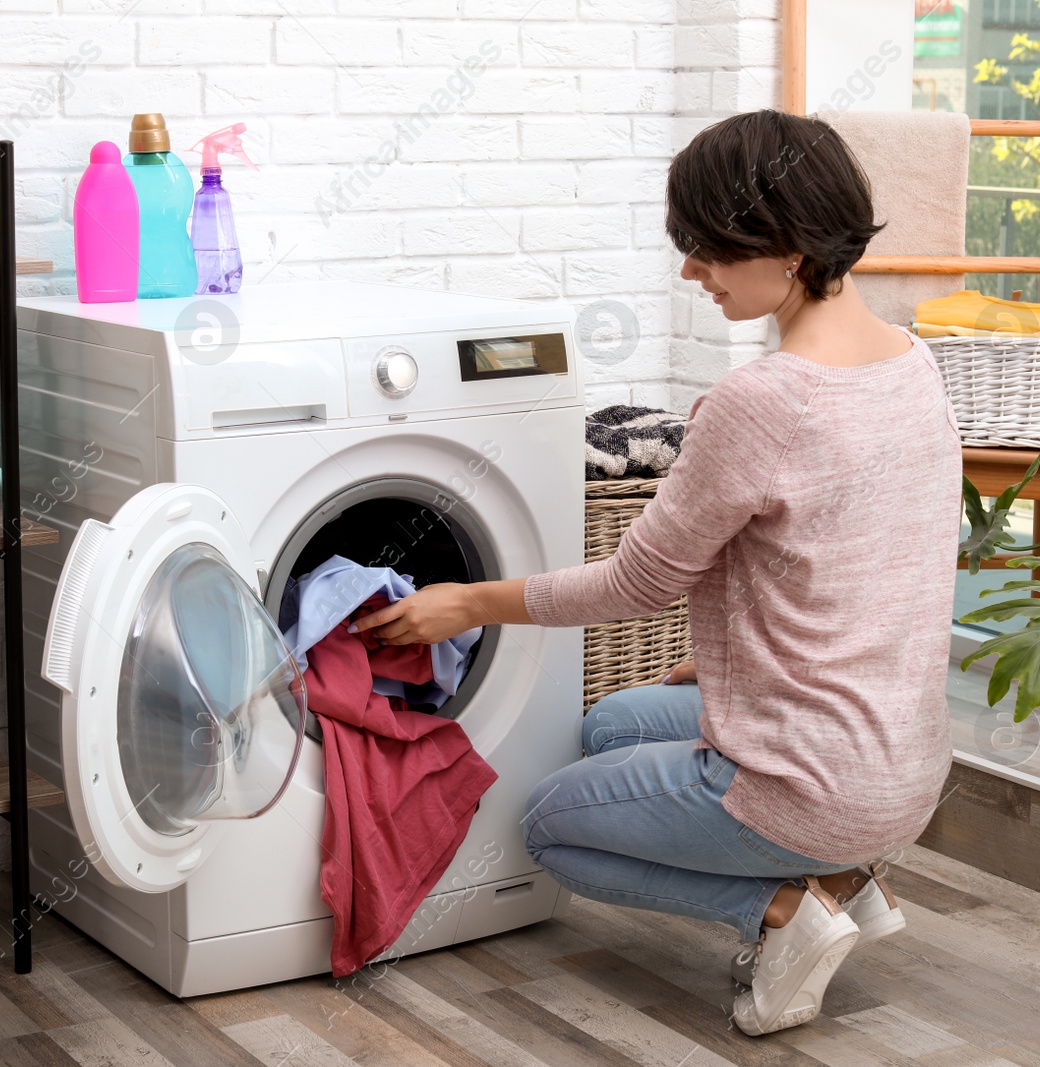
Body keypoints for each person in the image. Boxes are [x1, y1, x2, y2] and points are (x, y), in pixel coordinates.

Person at [351, 109, 962, 1037]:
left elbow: (635, 585)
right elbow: (876, 572)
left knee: (549, 826)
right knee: (610, 724)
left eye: (706, 249)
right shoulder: (913, 364)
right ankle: (851, 877)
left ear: (785, 247)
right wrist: (733, 659)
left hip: (812, 783)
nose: (691, 273)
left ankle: (787, 911)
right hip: (903, 765)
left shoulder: (762, 400)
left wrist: (469, 600)